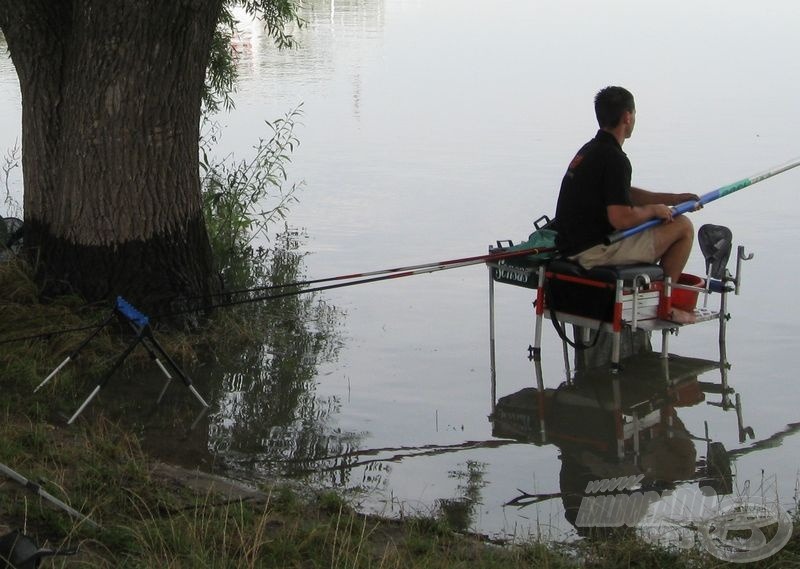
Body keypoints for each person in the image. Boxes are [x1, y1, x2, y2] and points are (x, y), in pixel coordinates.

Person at [554, 86, 699, 323]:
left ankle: (655, 294)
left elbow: (622, 194)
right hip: (593, 252)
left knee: (663, 218)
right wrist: (654, 211)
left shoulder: (590, 151)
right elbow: (620, 218)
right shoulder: (615, 159)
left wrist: (671, 199)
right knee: (682, 226)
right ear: (627, 117)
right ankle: (666, 306)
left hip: (572, 245)